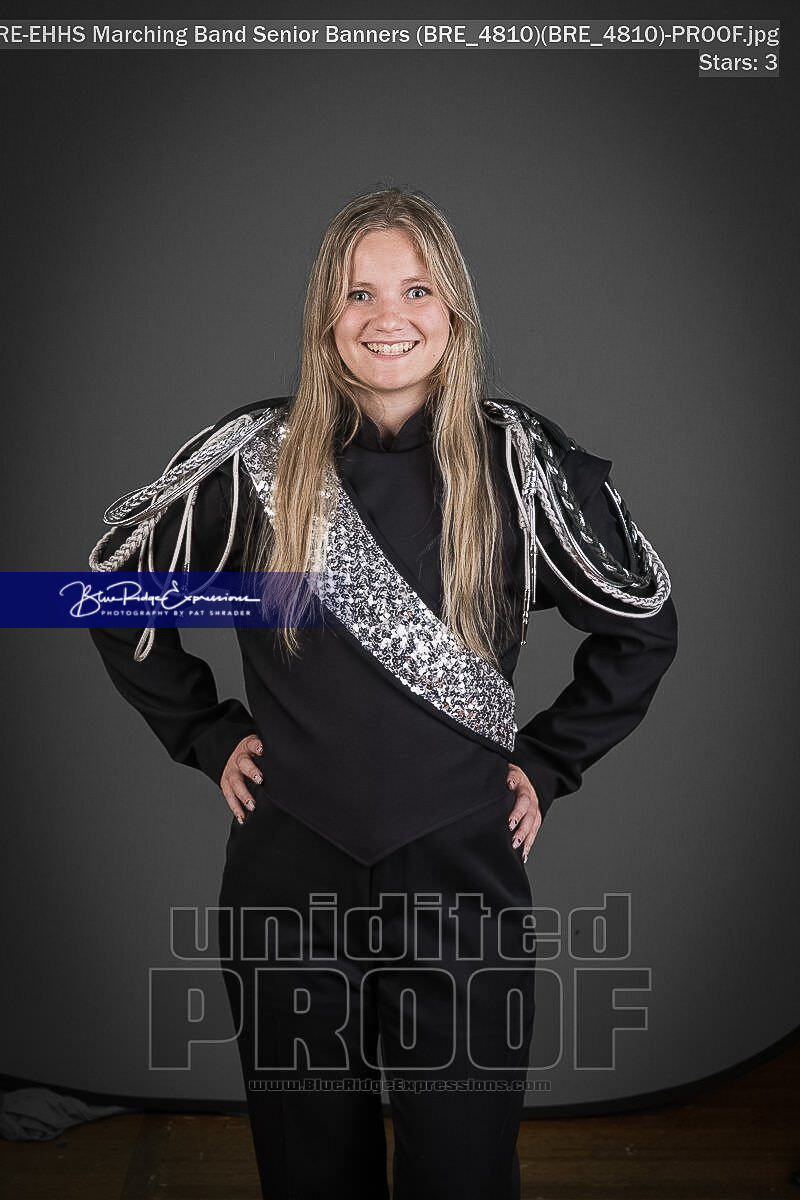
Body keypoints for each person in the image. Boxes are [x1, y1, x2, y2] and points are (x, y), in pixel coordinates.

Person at [87, 187, 678, 1200]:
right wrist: (203, 733)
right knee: (310, 1170)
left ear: (453, 310)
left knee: (462, 1172)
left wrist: (547, 762)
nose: (386, 317)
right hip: (288, 876)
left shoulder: (521, 465)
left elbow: (642, 627)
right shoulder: (253, 459)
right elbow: (106, 593)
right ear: (326, 314)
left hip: (460, 878)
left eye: (416, 290)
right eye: (358, 292)